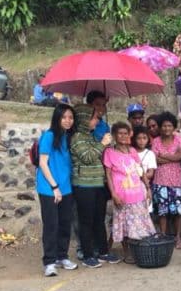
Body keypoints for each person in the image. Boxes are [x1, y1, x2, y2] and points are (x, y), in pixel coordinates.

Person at [71, 94, 120, 268]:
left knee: (99, 219)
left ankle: (103, 251)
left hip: (97, 183)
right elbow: (88, 157)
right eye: (93, 118)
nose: (96, 120)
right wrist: (103, 144)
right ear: (84, 120)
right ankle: (88, 254)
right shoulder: (77, 138)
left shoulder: (91, 136)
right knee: (86, 220)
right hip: (84, 185)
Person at [104, 122, 156, 264]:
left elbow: (140, 171)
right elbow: (108, 175)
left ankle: (138, 250)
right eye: (119, 133)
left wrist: (148, 188)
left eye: (125, 133)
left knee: (139, 224)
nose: (123, 136)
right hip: (122, 195)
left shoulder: (132, 151)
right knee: (125, 225)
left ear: (129, 135)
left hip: (138, 193)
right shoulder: (109, 152)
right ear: (114, 135)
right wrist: (113, 194)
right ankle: (128, 253)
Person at [36, 103, 77, 277]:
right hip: (49, 188)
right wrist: (54, 186)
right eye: (64, 117)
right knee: (51, 225)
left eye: (70, 117)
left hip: (66, 187)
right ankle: (49, 261)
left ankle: (62, 256)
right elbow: (43, 163)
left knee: (64, 224)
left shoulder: (68, 138)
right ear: (57, 118)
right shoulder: (49, 136)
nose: (68, 121)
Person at [151, 112, 181, 249]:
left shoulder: (179, 139)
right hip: (160, 181)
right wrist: (173, 156)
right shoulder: (156, 141)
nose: (166, 128)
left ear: (174, 127)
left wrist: (164, 156)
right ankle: (163, 236)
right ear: (160, 127)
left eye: (169, 126)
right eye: (164, 126)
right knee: (162, 212)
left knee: (178, 212)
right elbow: (155, 159)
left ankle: (178, 237)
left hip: (177, 181)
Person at [132, 126, 156, 215]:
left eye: (144, 138)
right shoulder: (130, 152)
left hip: (144, 187)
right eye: (139, 138)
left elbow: (151, 173)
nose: (142, 141)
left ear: (148, 139)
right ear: (134, 139)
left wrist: (137, 175)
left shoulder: (150, 154)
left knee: (146, 213)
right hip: (131, 187)